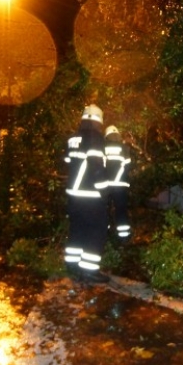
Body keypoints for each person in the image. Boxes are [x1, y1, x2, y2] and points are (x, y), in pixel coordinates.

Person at [64, 104, 110, 283]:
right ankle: (89, 271)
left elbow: (66, 162)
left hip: (73, 195)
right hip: (91, 195)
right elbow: (97, 167)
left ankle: (72, 265)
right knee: (96, 230)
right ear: (99, 120)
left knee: (77, 229)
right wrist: (104, 192)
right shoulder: (95, 138)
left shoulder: (73, 138)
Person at [104, 125, 132, 241]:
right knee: (121, 210)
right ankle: (124, 238)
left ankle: (105, 235)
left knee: (104, 210)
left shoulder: (102, 147)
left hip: (106, 184)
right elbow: (128, 166)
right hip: (120, 185)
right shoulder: (124, 148)